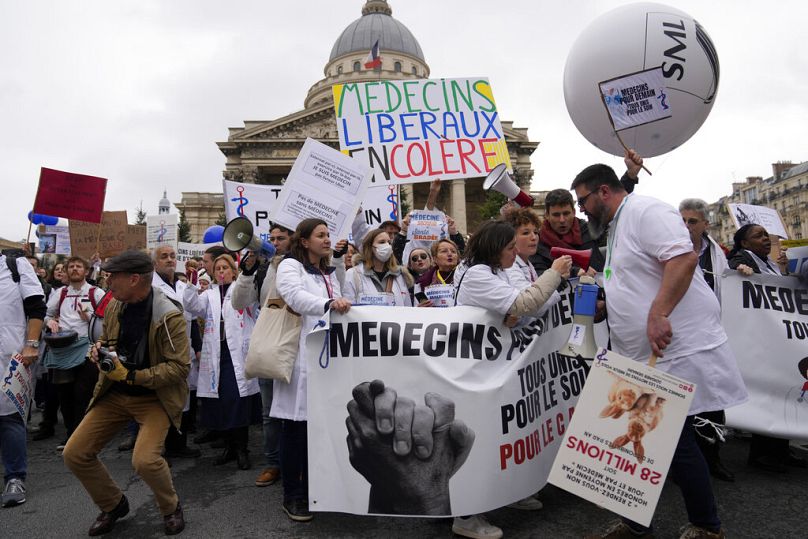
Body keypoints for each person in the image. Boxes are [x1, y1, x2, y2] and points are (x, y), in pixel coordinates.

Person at [571, 162, 747, 539]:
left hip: (671, 347)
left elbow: (682, 259)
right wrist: (609, 305)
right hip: (644, 355)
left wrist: (659, 312)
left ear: (604, 191)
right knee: (645, 439)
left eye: (582, 200)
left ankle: (705, 527)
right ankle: (640, 523)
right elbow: (637, 278)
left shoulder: (646, 211)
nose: (580, 209)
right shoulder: (619, 225)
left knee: (670, 439)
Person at [452, 220, 572, 539]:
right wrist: (555, 273)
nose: (514, 253)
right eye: (509, 248)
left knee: (501, 436)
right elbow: (524, 303)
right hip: (475, 370)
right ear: (495, 249)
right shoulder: (477, 274)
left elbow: (516, 307)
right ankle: (465, 516)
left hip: (490, 366)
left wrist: (508, 312)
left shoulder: (490, 271)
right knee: (478, 441)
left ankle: (506, 492)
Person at [62, 251, 188, 535]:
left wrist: (132, 375)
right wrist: (100, 350)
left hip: (154, 398)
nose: (107, 281)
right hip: (115, 395)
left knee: (144, 460)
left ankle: (171, 507)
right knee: (75, 453)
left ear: (133, 279)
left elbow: (180, 368)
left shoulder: (169, 314)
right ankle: (113, 504)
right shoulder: (116, 306)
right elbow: (108, 341)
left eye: (112, 276)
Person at [272, 218, 352, 522]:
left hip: (329, 358)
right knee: (295, 428)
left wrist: (338, 279)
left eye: (329, 234)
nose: (328, 239)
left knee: (322, 428)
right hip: (301, 359)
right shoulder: (290, 266)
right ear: (304, 241)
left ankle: (320, 488)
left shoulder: (326, 271)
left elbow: (344, 297)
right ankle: (293, 495)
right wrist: (329, 303)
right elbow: (294, 296)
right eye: (321, 235)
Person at [727, 224, 804, 473]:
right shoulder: (741, 258)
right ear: (745, 244)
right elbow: (731, 268)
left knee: (782, 388)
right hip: (760, 340)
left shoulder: (767, 261)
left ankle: (779, 450)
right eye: (758, 236)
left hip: (776, 338)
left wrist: (782, 269)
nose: (766, 239)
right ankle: (762, 455)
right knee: (770, 389)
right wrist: (739, 268)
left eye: (765, 235)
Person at [183, 254, 261, 470]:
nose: (221, 271)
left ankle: (242, 449)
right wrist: (190, 282)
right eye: (217, 268)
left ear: (233, 271)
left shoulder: (242, 289)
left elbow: (251, 300)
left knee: (237, 399)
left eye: (225, 267)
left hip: (238, 353)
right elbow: (192, 306)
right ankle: (229, 447)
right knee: (221, 402)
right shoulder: (209, 294)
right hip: (217, 353)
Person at [231, 222, 292, 488]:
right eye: (272, 238)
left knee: (297, 410)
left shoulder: (301, 266)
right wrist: (247, 271)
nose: (275, 242)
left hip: (295, 347)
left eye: (281, 238)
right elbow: (239, 303)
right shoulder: (263, 267)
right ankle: (273, 463)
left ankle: (297, 461)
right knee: (270, 413)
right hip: (269, 347)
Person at [678, 198, 733, 482]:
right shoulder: (672, 249)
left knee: (713, 399)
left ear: (705, 224)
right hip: (681, 336)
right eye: (683, 220)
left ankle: (713, 458)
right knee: (682, 402)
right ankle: (682, 465)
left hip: (710, 335)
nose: (686, 226)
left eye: (693, 221)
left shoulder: (717, 253)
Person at [531, 150, 643, 276]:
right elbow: (539, 274)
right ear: (547, 215)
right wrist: (575, 272)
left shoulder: (589, 229)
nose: (562, 220)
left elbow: (611, 202)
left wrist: (630, 176)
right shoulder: (537, 243)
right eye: (556, 215)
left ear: (574, 212)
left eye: (566, 213)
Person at [42, 256, 107, 450]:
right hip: (63, 349)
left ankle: (83, 438)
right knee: (65, 394)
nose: (74, 269)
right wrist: (50, 322)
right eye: (71, 266)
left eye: (79, 266)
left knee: (83, 393)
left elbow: (107, 320)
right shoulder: (60, 292)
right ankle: (71, 437)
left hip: (86, 349)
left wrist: (89, 318)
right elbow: (45, 314)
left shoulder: (96, 292)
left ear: (86, 271)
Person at [0, 253, 45, 508]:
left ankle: (15, 477)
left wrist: (31, 344)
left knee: (9, 418)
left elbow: (36, 306)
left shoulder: (15, 266)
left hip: (10, 356)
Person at [151, 245, 201, 459]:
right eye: (164, 257)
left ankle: (178, 445)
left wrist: (197, 347)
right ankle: (156, 450)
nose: (170, 260)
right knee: (162, 400)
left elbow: (193, 315)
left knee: (183, 398)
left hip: (184, 348)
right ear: (155, 262)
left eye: (172, 256)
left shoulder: (182, 286)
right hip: (162, 350)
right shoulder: (151, 286)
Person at [344, 229, 413, 306]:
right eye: (382, 242)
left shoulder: (399, 276)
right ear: (370, 247)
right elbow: (349, 309)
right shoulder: (353, 274)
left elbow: (407, 308)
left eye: (389, 243)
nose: (387, 246)